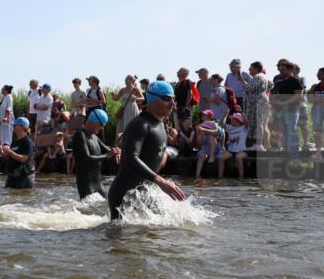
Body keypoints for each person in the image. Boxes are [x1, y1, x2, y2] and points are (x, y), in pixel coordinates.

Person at [107, 81, 186, 220]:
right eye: (167, 98)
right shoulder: (140, 124)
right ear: (153, 100)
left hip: (143, 193)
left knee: (162, 231)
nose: (172, 104)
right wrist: (161, 182)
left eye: (174, 99)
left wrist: (166, 155)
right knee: (122, 240)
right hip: (123, 197)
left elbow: (154, 154)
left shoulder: (160, 124)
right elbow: (131, 158)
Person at [71, 109, 118, 199]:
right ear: (94, 122)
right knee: (89, 211)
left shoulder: (94, 137)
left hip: (98, 184)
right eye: (102, 125)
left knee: (107, 204)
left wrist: (117, 152)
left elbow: (109, 150)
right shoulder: (80, 135)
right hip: (86, 184)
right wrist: (107, 156)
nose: (102, 128)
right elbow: (86, 158)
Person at [0, 116, 35, 189]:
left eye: (15, 125)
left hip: (23, 178)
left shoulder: (28, 142)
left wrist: (9, 151)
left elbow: (23, 158)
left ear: (22, 127)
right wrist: (1, 151)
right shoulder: (15, 142)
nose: (13, 127)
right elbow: (9, 158)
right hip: (13, 175)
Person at [270, 60, 304, 153]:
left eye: (283, 69)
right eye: (280, 69)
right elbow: (272, 94)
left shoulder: (295, 81)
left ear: (290, 70)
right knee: (284, 130)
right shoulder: (278, 82)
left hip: (292, 109)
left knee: (292, 130)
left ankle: (294, 152)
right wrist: (273, 101)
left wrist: (286, 102)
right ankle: (286, 149)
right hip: (280, 110)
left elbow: (299, 95)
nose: (281, 71)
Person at [194, 110, 224, 178]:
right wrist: (199, 134)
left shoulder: (214, 124)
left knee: (211, 136)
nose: (202, 116)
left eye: (204, 115)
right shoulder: (201, 126)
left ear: (209, 117)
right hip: (205, 149)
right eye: (202, 115)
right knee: (202, 155)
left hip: (215, 148)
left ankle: (212, 156)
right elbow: (199, 143)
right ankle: (197, 175)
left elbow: (217, 132)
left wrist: (204, 130)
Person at [219, 113, 249, 179]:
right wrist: (225, 115)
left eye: (233, 119)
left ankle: (241, 177)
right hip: (231, 150)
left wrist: (242, 112)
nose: (231, 120)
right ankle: (220, 177)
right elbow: (220, 124)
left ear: (237, 120)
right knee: (221, 158)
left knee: (238, 157)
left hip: (241, 150)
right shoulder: (229, 127)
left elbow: (246, 122)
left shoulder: (244, 128)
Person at [311, 67, 324, 160]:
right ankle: (318, 153)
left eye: (319, 73)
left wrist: (317, 99)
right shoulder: (315, 86)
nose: (317, 74)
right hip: (317, 109)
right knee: (317, 131)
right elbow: (310, 99)